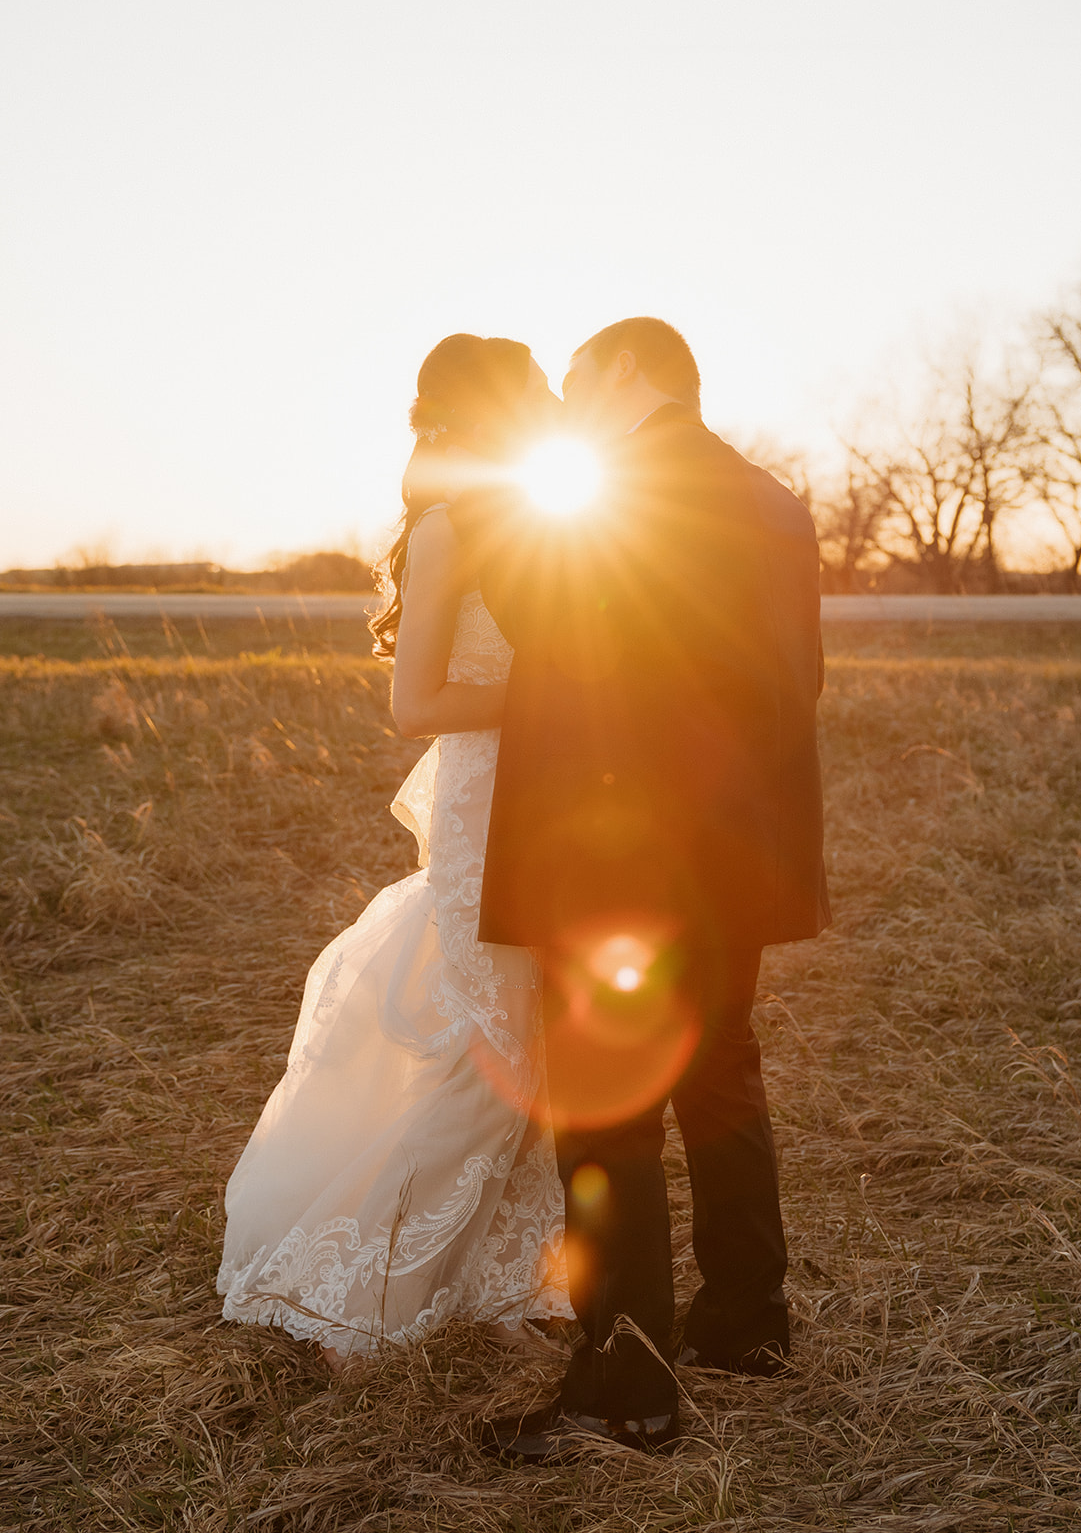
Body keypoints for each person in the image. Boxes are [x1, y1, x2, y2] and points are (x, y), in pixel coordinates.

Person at [449, 317, 830, 1459]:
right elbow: (789, 681)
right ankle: (746, 1323)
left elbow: (562, 631)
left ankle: (628, 1386)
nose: (563, 401)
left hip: (626, 861)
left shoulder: (621, 495)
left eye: (574, 378)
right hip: (734, 855)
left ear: (626, 371)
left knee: (605, 1121)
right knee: (720, 1074)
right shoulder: (772, 500)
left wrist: (485, 500)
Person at [216, 334, 572, 1363]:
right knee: (484, 1051)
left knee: (529, 1055)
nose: (552, 399)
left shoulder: (526, 520)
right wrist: (553, 698)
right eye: (536, 386)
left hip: (539, 801)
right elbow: (414, 702)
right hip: (485, 803)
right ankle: (361, 1289)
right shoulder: (452, 525)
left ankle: (493, 1277)